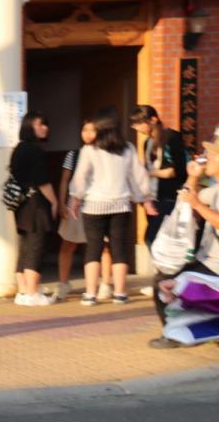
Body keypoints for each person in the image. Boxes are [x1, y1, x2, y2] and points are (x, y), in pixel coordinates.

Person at [68, 106, 157, 306]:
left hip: (94, 205)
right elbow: (138, 176)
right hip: (121, 204)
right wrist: (145, 199)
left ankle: (90, 294)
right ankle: (119, 293)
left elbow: (80, 177)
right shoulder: (128, 149)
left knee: (93, 248)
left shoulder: (89, 150)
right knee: (119, 249)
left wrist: (75, 199)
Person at [150, 138, 219, 348]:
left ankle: (177, 334)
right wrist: (192, 176)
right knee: (169, 283)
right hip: (208, 260)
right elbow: (187, 198)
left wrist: (197, 204)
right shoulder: (215, 188)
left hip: (215, 265)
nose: (206, 159)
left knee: (171, 284)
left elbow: (197, 204)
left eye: (212, 155)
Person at [131, 104, 190, 298]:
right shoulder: (147, 143)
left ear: (153, 119)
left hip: (170, 196)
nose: (137, 128)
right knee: (154, 238)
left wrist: (150, 172)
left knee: (156, 238)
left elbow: (178, 169)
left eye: (139, 123)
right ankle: (162, 278)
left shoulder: (172, 137)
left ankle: (166, 278)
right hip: (153, 196)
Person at [55, 120, 113, 300]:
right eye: (84, 129)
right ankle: (63, 284)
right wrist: (61, 203)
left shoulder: (107, 153)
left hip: (99, 203)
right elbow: (65, 179)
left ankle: (105, 284)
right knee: (68, 243)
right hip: (76, 204)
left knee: (103, 246)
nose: (87, 133)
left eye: (92, 130)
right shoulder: (73, 154)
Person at [9, 111, 58, 306]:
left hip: (21, 204)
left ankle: (23, 292)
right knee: (36, 246)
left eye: (45, 124)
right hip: (36, 204)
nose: (45, 128)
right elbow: (42, 181)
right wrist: (54, 201)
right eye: (40, 124)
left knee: (26, 246)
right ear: (30, 127)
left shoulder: (19, 148)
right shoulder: (34, 151)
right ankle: (32, 294)